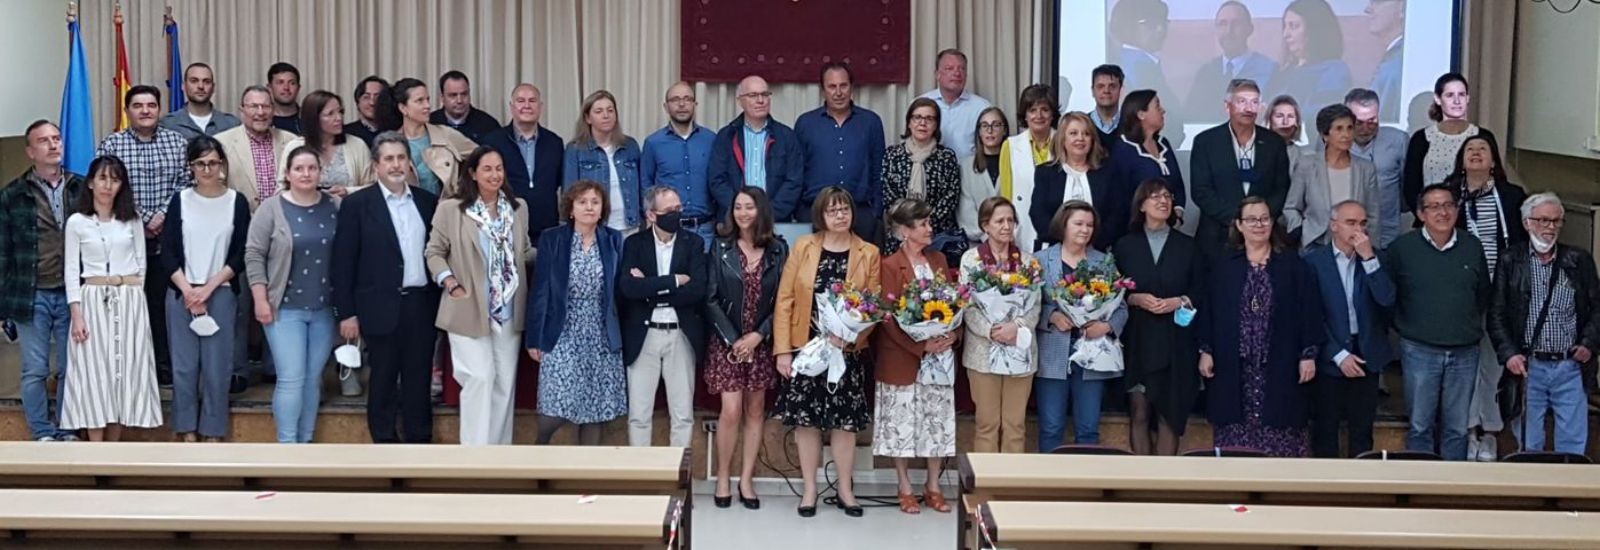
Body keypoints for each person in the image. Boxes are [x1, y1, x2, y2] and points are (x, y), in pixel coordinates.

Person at [773, 187, 880, 518]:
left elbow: (872, 305)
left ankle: (846, 489)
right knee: (807, 422)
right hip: (807, 348)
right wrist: (783, 351)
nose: (840, 215)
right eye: (833, 210)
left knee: (845, 425)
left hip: (846, 351)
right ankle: (809, 489)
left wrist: (847, 336)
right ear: (820, 214)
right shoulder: (804, 247)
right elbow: (786, 299)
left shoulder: (868, 252)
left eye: (845, 209)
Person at [332, 132, 442, 444]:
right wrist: (347, 313)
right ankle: (384, 448)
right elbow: (343, 264)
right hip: (378, 307)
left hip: (420, 304)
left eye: (401, 158)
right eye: (389, 159)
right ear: (376, 166)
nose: (396, 165)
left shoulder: (427, 202)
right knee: (382, 380)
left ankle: (419, 445)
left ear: (409, 163)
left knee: (418, 380)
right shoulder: (357, 205)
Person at [1197, 196, 1322, 458]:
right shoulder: (1224, 267)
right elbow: (1209, 311)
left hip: (1281, 363)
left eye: (1265, 218)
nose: (1259, 224)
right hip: (1235, 365)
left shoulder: (1293, 266)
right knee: (1235, 436)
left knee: (1282, 428)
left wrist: (1308, 355)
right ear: (1239, 225)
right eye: (1252, 219)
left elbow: (1309, 312)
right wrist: (1206, 350)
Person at [426, 147, 534, 446]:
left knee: (503, 384)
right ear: (472, 173)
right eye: (487, 168)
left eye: (499, 168)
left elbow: (524, 251)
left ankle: (499, 459)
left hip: (508, 308)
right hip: (468, 308)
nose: (495, 174)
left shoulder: (518, 208)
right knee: (479, 378)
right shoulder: (452, 209)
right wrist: (451, 284)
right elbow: (434, 252)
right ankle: (474, 457)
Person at [60, 155, 164, 441]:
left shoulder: (131, 220)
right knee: (94, 372)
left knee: (123, 370)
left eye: (115, 179)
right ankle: (96, 448)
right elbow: (71, 269)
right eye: (103, 178)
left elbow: (142, 264)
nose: (108, 185)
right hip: (92, 299)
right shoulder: (77, 222)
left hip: (128, 299)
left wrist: (132, 301)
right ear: (91, 182)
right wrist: (77, 313)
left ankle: (114, 448)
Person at [1489, 192, 1600, 455]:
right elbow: (1497, 314)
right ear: (1527, 223)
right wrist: (1509, 354)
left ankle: (1569, 492)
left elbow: (1597, 308)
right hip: (1529, 366)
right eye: (1542, 220)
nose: (1550, 227)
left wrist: (1588, 345)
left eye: (1556, 221)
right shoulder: (1510, 260)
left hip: (1570, 365)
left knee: (1573, 443)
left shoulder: (1578, 260)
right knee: (1529, 443)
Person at [96, 85, 190, 389]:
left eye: (151, 105)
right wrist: (143, 218)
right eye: (138, 106)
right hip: (124, 238)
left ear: (160, 110)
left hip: (169, 238)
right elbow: (107, 186)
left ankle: (164, 366)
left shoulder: (176, 143)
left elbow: (185, 183)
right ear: (127, 111)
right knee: (131, 307)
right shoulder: (112, 145)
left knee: (164, 307)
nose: (145, 111)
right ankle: (133, 369)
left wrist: (161, 215)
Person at [1388, 184, 1490, 460]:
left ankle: (1452, 492)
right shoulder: (1402, 248)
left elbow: (1482, 296)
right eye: (1434, 206)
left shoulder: (1472, 246)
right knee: (1420, 425)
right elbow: (1388, 296)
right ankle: (1421, 490)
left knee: (1457, 428)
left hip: (1465, 351)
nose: (1442, 212)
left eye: (1448, 205)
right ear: (1421, 214)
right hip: (1420, 350)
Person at [245, 146, 339, 443]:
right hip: (283, 309)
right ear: (287, 174)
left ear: (320, 172)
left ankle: (306, 445)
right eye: (299, 168)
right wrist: (260, 299)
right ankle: (287, 449)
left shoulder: (336, 206)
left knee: (312, 380)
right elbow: (254, 254)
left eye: (312, 168)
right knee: (291, 378)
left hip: (325, 310)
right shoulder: (271, 208)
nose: (306, 174)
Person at [161, 135, 252, 442]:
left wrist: (210, 287)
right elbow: (168, 250)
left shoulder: (235, 201)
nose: (207, 169)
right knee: (185, 368)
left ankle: (213, 431)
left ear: (222, 165)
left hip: (221, 294)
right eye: (200, 163)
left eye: (213, 162)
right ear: (191, 167)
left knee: (217, 368)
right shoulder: (181, 200)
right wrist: (189, 290)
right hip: (182, 294)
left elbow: (240, 253)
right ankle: (186, 429)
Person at [1, 120, 87, 441]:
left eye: (56, 138)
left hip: (73, 293)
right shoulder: (13, 194)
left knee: (70, 368)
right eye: (44, 141)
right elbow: (3, 253)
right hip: (31, 293)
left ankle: (66, 428)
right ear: (30, 151)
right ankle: (41, 431)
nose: (53, 145)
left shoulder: (82, 187)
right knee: (35, 369)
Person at [524, 180, 627, 445]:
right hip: (563, 329)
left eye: (595, 202)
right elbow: (540, 291)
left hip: (601, 331)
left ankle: (586, 480)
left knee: (594, 410)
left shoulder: (613, 240)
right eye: (582, 202)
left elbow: (620, 289)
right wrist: (534, 337)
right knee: (556, 403)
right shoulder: (553, 239)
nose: (589, 207)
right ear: (571, 209)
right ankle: (540, 453)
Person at [704, 186, 788, 510]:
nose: (742, 213)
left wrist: (759, 336)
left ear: (761, 210)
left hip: (762, 344)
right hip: (727, 343)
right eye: (737, 207)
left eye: (749, 207)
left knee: (755, 411)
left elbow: (783, 300)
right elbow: (709, 298)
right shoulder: (720, 246)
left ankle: (747, 480)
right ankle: (723, 476)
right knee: (731, 411)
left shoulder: (779, 249)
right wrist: (735, 340)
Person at [874, 198, 958, 515]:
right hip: (903, 358)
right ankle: (905, 485)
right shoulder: (888, 265)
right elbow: (888, 318)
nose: (929, 229)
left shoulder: (937, 260)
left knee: (936, 423)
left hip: (939, 359)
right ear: (906, 231)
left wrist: (952, 335)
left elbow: (955, 306)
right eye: (923, 224)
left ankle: (934, 485)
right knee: (902, 424)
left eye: (929, 223)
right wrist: (920, 347)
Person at [1446, 134, 1527, 461]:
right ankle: (1468, 430)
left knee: (1493, 365)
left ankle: (1490, 431)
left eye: (1483, 150)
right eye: (1470, 150)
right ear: (1461, 161)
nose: (1476, 154)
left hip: (1502, 292)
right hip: (1464, 292)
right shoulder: (1449, 195)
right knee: (1466, 365)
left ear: (1494, 160)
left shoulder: (1512, 196)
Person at [215, 85, 297, 393]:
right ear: (242, 110)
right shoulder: (223, 143)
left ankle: (275, 366)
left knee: (278, 302)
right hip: (239, 235)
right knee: (238, 304)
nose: (260, 112)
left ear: (273, 109)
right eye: (254, 106)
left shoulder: (291, 143)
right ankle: (236, 369)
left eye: (266, 106)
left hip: (283, 235)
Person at [1114, 178, 1204, 455]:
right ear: (1141, 204)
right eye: (1155, 196)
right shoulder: (1125, 245)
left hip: (1176, 341)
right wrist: (1135, 298)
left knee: (1169, 416)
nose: (1163, 201)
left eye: (1167, 196)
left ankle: (1166, 486)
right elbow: (1112, 291)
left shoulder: (1188, 246)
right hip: (1139, 339)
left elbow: (1201, 290)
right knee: (1139, 414)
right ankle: (1142, 485)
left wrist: (1180, 301)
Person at [619, 186, 709, 447]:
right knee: (639, 415)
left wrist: (650, 288)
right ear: (651, 215)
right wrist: (673, 281)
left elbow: (696, 290)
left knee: (682, 415)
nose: (677, 214)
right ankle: (640, 481)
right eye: (670, 210)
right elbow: (628, 288)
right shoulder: (634, 244)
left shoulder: (694, 243)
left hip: (680, 333)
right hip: (644, 334)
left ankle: (677, 479)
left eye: (679, 209)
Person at [1304, 201, 1395, 458]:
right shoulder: (1313, 262)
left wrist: (1369, 259)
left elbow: (1387, 300)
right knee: (1325, 429)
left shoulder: (1377, 258)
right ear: (1334, 226)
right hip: (1329, 353)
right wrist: (1338, 354)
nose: (1359, 229)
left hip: (1367, 351)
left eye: (1363, 223)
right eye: (1351, 223)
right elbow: (1311, 315)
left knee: (1362, 431)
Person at [1035, 201, 1126, 451]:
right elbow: (1029, 304)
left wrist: (1106, 326)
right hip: (1052, 352)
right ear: (1063, 225)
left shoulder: (1103, 262)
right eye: (1078, 224)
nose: (1085, 230)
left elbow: (1121, 307)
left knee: (1088, 428)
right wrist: (1051, 316)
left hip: (1092, 353)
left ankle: (1085, 487)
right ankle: (1049, 487)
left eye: (1089, 225)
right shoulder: (1041, 260)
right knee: (1051, 426)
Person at [959, 197, 1040, 454]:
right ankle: (986, 486)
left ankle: (1011, 487)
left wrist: (1015, 327)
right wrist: (991, 331)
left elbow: (1035, 304)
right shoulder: (971, 260)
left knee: (1015, 424)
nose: (1006, 226)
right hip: (983, 350)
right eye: (999, 221)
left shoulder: (1028, 262)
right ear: (985, 225)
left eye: (1010, 220)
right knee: (987, 423)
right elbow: (967, 304)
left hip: (1019, 348)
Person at [1191, 79, 1292, 260]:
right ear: (1227, 106)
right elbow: (1201, 191)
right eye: (1242, 101)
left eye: (1254, 102)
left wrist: (1258, 220)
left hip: (1263, 237)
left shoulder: (1274, 142)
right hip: (1217, 236)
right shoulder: (1206, 142)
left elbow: (1281, 188)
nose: (1249, 108)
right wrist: (1240, 220)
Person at [796, 63, 886, 240]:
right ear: (823, 90)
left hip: (861, 216)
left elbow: (879, 170)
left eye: (843, 85)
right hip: (816, 215)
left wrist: (876, 212)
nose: (838, 92)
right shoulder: (805, 124)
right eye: (832, 86)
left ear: (851, 87)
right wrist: (801, 214)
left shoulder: (871, 122)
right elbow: (797, 171)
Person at [708, 76, 805, 222]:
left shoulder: (786, 136)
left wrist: (768, 215)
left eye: (765, 95)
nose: (761, 100)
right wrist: (741, 212)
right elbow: (717, 180)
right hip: (735, 223)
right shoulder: (726, 136)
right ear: (740, 101)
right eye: (753, 95)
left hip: (775, 222)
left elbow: (794, 181)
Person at [1286, 104, 1383, 248]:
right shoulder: (1307, 165)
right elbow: (1291, 207)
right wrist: (1302, 232)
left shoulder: (1365, 168)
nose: (1346, 135)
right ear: (1325, 134)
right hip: (1316, 243)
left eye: (1350, 128)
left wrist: (1371, 247)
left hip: (1354, 245)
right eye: (1339, 129)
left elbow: (1373, 214)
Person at [1402, 73, 1499, 216]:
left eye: (1461, 95)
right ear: (1438, 99)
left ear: (1468, 98)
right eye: (1450, 95)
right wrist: (1424, 214)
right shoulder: (1421, 139)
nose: (1457, 101)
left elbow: (1496, 177)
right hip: (1433, 218)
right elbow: (1411, 185)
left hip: (1478, 215)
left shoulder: (1483, 136)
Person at [479, 83, 566, 241]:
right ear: (511, 107)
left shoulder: (554, 142)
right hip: (505, 227)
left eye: (532, 101)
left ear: (540, 107)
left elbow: (559, 183)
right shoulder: (493, 141)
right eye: (520, 101)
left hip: (546, 229)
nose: (526, 106)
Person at [881, 98, 962, 257]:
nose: (922, 123)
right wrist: (911, 225)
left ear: (936, 125)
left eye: (929, 119)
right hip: (900, 235)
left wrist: (924, 225)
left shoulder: (946, 157)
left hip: (937, 236)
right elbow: (887, 194)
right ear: (909, 123)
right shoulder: (892, 155)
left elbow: (951, 196)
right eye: (917, 117)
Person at [640, 82, 718, 247]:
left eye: (687, 99)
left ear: (695, 105)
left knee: (703, 273)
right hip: (667, 230)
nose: (682, 104)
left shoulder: (711, 140)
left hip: (705, 230)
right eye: (675, 99)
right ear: (666, 106)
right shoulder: (653, 143)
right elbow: (646, 185)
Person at [1104, 91, 1186, 244]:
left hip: (1169, 231)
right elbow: (1119, 196)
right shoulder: (1123, 149)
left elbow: (1177, 184)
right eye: (1157, 105)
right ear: (1141, 114)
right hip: (1135, 236)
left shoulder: (1163, 144)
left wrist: (1178, 215)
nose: (1163, 110)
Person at [563, 90, 643, 234]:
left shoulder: (630, 145)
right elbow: (569, 193)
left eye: (610, 110)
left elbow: (642, 187)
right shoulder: (576, 149)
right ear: (588, 118)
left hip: (630, 226)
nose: (606, 115)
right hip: (594, 228)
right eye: (599, 111)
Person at [1031, 113, 1114, 249]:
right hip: (1054, 249)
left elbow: (1115, 215)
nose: (1080, 138)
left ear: (1092, 140)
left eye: (1086, 134)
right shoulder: (1045, 173)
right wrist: (1064, 242)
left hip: (1097, 250)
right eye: (1073, 133)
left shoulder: (1106, 173)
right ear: (1062, 139)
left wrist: (1090, 241)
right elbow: (1037, 213)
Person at [1187, 2, 1278, 123]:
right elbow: (1189, 116)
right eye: (1223, 24)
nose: (1229, 31)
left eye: (1236, 24)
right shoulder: (1205, 73)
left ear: (1249, 29)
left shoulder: (1270, 70)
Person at [1109, 0, 1181, 148]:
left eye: (1163, 22)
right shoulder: (1139, 66)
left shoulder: (1139, 62)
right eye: (1151, 23)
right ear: (1128, 25)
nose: (1161, 29)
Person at [392, 78, 478, 197]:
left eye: (428, 99)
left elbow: (482, 157)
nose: (427, 105)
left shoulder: (445, 134)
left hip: (444, 211)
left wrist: (465, 190)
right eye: (420, 101)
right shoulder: (392, 144)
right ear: (403, 108)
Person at [1346, 88, 1409, 248]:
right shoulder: (1331, 141)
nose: (1365, 128)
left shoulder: (1398, 140)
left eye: (1372, 121)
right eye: (1358, 122)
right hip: (1342, 236)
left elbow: (1405, 186)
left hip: (1386, 236)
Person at [999, 84, 1059, 252]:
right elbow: (1007, 194)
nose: (1038, 115)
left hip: (1054, 225)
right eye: (1032, 110)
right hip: (1021, 226)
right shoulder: (1010, 145)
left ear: (1052, 113)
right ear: (1024, 115)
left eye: (1045, 109)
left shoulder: (1064, 142)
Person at [283, 90, 374, 196]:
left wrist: (348, 191)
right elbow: (281, 189)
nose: (339, 118)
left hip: (347, 209)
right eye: (330, 114)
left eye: (340, 112)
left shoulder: (357, 145)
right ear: (314, 118)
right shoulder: (294, 147)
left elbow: (373, 186)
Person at [1270, 0, 1352, 114]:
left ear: (1314, 29)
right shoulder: (1283, 71)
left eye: (1294, 26)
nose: (1286, 34)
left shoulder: (1334, 70)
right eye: (1285, 26)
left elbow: (1324, 113)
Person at [922, 49, 993, 158]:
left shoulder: (982, 107)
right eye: (949, 68)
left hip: (971, 172)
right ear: (937, 74)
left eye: (962, 69)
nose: (957, 73)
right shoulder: (921, 105)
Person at [958, 107, 1009, 244]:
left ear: (1004, 130)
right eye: (984, 125)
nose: (990, 130)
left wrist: (1006, 235)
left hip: (1013, 242)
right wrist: (990, 238)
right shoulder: (965, 166)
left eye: (996, 125)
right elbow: (965, 213)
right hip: (978, 246)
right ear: (979, 132)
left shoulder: (1016, 163)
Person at [159, 63, 241, 140]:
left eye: (206, 82)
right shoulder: (168, 124)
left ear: (213, 88)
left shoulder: (232, 124)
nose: (201, 86)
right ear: (183, 86)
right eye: (194, 81)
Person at [429, 71, 501, 142]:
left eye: (464, 94)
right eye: (453, 95)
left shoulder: (488, 125)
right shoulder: (430, 123)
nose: (459, 100)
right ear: (442, 98)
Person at [1367, 0, 1407, 121]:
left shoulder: (1398, 63)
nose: (1368, 9)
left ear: (1401, 8)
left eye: (1378, 2)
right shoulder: (1393, 56)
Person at [344, 76, 390, 147]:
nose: (372, 103)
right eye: (366, 97)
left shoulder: (395, 131)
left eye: (378, 97)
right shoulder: (346, 133)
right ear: (358, 103)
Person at [1088, 65, 1125, 146]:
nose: (1106, 91)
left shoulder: (1132, 126)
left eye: (1112, 86)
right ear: (1092, 91)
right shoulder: (1082, 125)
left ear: (1121, 90)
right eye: (1100, 86)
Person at [268, 62, 302, 134]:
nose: (286, 88)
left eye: (292, 83)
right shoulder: (262, 120)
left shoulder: (310, 119)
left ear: (298, 88)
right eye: (280, 82)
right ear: (269, 87)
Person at [1268, 95, 1304, 164]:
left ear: (1297, 122)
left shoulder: (1302, 156)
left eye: (1290, 116)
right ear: (1270, 120)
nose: (1285, 122)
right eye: (1279, 116)